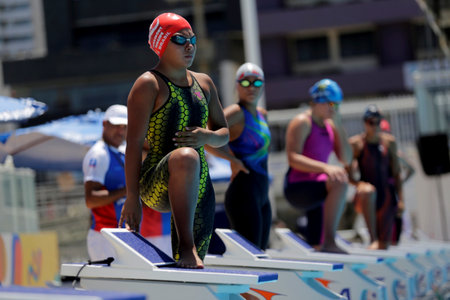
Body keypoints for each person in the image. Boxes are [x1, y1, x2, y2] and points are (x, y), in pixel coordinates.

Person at [119, 12, 229, 269]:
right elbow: (133, 144)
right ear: (161, 44)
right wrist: (132, 196)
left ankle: (188, 259)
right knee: (186, 156)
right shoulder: (148, 84)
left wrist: (207, 136)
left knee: (196, 267)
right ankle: (185, 246)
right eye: (179, 39)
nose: (189, 45)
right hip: (156, 181)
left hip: (199, 184)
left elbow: (224, 133)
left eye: (192, 39)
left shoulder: (205, 83)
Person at [205, 62, 272, 250]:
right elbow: (206, 138)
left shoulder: (263, 115)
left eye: (257, 83)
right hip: (244, 192)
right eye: (245, 83)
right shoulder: (236, 112)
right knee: (251, 257)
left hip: (262, 193)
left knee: (261, 253)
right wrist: (231, 160)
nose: (251, 87)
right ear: (237, 86)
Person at [284, 79, 352, 253]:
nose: (333, 108)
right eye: (330, 103)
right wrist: (326, 168)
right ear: (317, 102)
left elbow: (346, 159)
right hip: (297, 187)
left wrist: (338, 125)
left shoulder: (330, 126)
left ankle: (322, 245)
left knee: (316, 246)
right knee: (339, 181)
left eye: (336, 104)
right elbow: (292, 158)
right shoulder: (302, 122)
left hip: (318, 189)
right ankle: (330, 240)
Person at [348, 105, 402, 250]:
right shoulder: (356, 144)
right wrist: (359, 185)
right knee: (368, 192)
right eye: (371, 122)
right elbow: (348, 174)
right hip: (366, 197)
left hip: (386, 195)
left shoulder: (389, 142)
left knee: (385, 244)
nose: (375, 126)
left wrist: (401, 200)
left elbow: (397, 173)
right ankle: (372, 238)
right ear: (365, 122)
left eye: (378, 122)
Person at [83, 104, 128, 261]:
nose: (120, 131)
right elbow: (91, 200)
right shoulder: (99, 154)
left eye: (124, 126)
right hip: (104, 237)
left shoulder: (122, 150)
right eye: (116, 126)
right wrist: (127, 191)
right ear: (104, 124)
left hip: (120, 235)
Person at [379, 119, 415, 245]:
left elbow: (411, 169)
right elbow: (411, 169)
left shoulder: (394, 153)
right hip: (385, 192)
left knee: (399, 224)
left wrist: (399, 183)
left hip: (390, 193)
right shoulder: (376, 151)